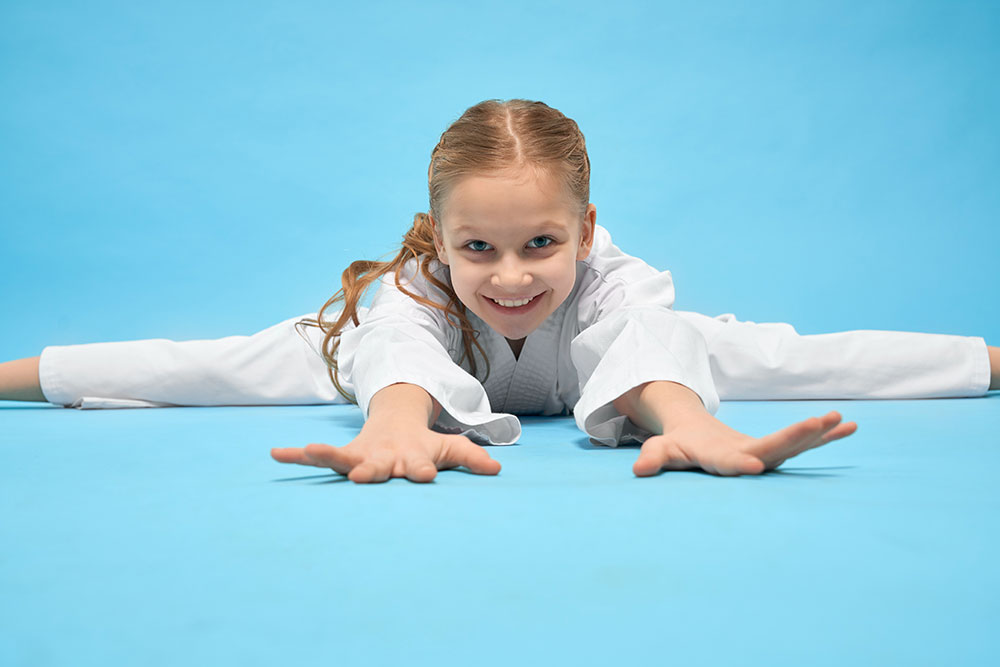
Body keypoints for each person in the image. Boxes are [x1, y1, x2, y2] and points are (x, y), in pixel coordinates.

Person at [1, 99, 996, 484]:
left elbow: (667, 344)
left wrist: (688, 421)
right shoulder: (412, 292)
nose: (510, 274)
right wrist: (392, 424)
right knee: (219, 366)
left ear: (586, 232)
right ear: (437, 239)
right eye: (477, 245)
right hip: (375, 364)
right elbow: (395, 355)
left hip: (644, 370)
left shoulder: (620, 284)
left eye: (541, 244)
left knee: (767, 353)